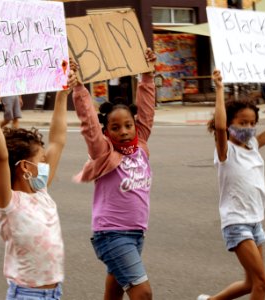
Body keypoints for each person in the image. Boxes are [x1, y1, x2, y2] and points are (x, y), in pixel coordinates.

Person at [0, 69, 77, 300]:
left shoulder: (40, 191)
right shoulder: (9, 202)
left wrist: (62, 94)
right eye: (41, 160)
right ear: (24, 167)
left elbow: (58, 139)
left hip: (54, 293)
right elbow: (0, 156)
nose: (46, 164)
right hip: (26, 295)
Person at [198, 70, 265, 300]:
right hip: (237, 222)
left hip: (255, 222)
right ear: (230, 123)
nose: (248, 127)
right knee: (262, 282)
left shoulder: (253, 145)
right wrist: (219, 88)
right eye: (242, 122)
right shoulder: (225, 151)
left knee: (251, 283)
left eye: (252, 123)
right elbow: (219, 128)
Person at [72, 48, 156, 300]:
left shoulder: (140, 145)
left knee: (113, 295)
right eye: (115, 127)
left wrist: (148, 76)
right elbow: (89, 124)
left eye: (128, 125)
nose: (124, 131)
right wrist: (79, 89)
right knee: (142, 294)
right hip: (112, 234)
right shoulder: (104, 153)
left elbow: (148, 111)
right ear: (107, 131)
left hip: (136, 233)